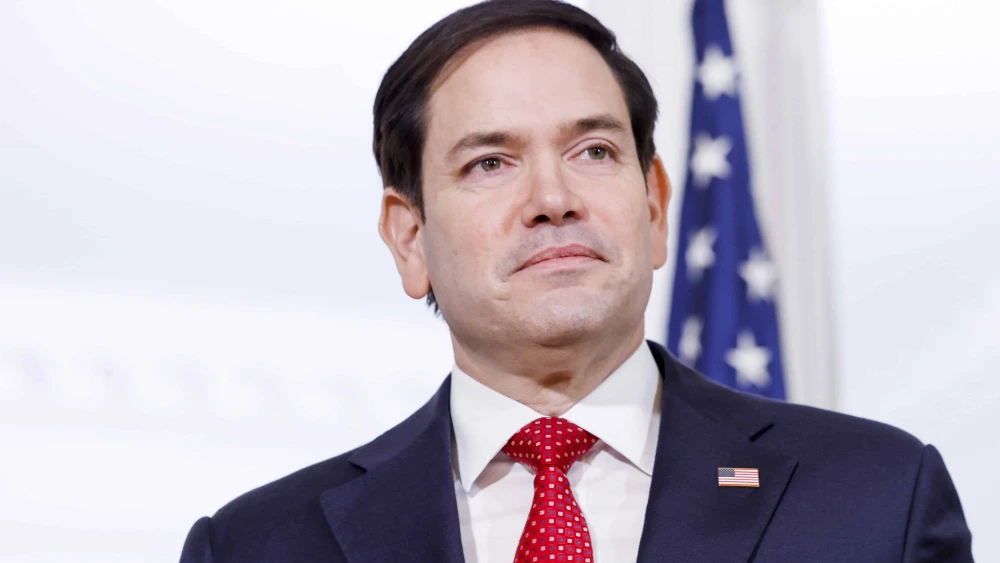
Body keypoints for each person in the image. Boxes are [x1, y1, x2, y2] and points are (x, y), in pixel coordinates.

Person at [178, 1, 974, 561]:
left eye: (593, 151)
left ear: (656, 206)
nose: (553, 200)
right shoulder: (257, 545)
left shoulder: (877, 501)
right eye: (490, 162)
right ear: (410, 238)